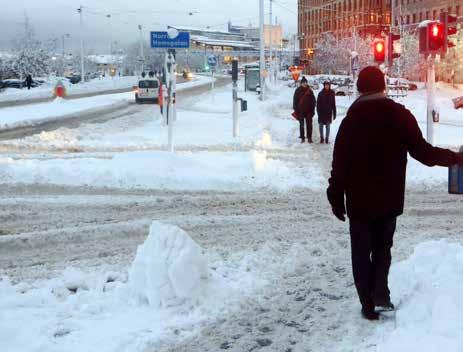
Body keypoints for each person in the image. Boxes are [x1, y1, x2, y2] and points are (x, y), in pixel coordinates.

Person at [327, 66, 463, 321]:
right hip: (389, 197)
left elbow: (340, 164)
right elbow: (424, 153)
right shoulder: (399, 115)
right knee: (382, 248)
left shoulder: (350, 121)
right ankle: (380, 294)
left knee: (360, 252)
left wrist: (335, 196)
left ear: (359, 88)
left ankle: (368, 305)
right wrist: (455, 158)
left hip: (358, 200)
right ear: (383, 87)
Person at [293, 76, 316, 143]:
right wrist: (296, 110)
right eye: (303, 83)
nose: (304, 84)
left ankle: (309, 138)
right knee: (302, 125)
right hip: (301, 111)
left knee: (309, 125)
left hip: (309, 111)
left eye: (305, 82)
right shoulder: (297, 91)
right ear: (301, 83)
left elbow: (313, 101)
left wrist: (312, 111)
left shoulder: (310, 91)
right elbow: (295, 101)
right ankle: (302, 137)